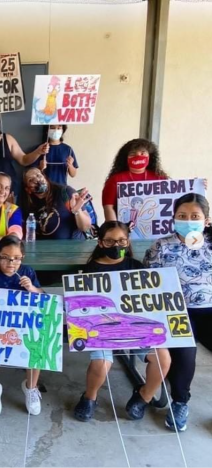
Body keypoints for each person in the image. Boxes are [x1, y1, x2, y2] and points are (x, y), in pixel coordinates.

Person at [73, 221, 171, 423]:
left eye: (121, 240)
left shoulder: (136, 266)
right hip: (103, 331)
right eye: (109, 241)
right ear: (100, 242)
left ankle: (144, 396)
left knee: (163, 359)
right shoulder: (92, 268)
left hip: (134, 327)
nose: (116, 245)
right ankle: (89, 397)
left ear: (127, 241)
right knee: (101, 363)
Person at [144, 193, 212, 432]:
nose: (188, 220)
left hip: (209, 309)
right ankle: (180, 402)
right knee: (185, 355)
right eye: (182, 216)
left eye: (195, 216)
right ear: (174, 218)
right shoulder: (161, 246)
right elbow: (147, 283)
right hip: (175, 311)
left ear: (206, 219)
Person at [0, 235, 45, 417]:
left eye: (16, 258)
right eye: (5, 257)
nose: (11, 262)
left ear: (22, 257)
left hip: (23, 326)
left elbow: (42, 295)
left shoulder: (28, 272)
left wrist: (32, 289)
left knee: (36, 350)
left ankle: (31, 387)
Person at [102, 139, 168, 222]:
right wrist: (116, 229)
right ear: (125, 158)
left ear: (150, 156)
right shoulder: (115, 180)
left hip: (155, 228)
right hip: (123, 229)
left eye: (142, 153)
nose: (138, 156)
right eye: (133, 154)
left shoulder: (160, 178)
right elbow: (108, 207)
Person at [23, 167, 91, 239]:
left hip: (72, 248)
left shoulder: (66, 193)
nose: (37, 180)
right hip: (44, 249)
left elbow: (85, 227)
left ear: (44, 177)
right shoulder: (28, 204)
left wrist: (77, 211)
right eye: (31, 180)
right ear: (28, 190)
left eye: (38, 175)